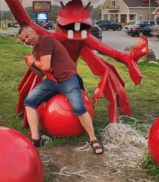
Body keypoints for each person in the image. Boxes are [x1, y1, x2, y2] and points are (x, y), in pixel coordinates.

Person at [18, 26, 104, 155]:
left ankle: (93, 139)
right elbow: (41, 74)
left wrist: (34, 62)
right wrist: (31, 65)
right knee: (29, 102)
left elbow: (45, 65)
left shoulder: (46, 40)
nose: (26, 40)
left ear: (34, 32)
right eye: (23, 40)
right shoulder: (36, 50)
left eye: (27, 36)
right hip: (53, 81)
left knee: (79, 108)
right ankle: (36, 139)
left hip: (68, 79)